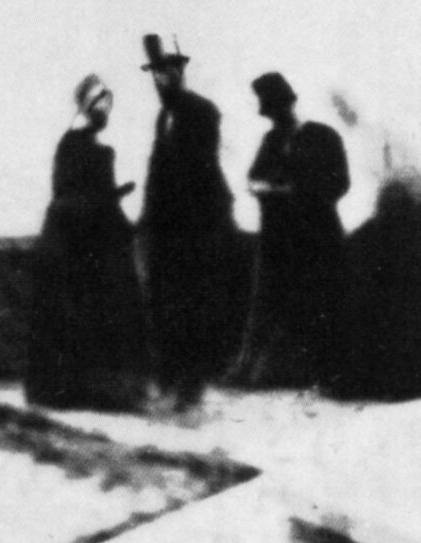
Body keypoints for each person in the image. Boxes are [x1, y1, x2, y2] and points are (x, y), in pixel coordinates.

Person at [25, 73, 145, 411]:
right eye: (100, 105)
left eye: (108, 105)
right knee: (86, 309)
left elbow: (88, 194)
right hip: (77, 240)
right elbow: (75, 193)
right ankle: (83, 390)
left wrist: (112, 200)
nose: (105, 112)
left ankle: (85, 389)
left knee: (87, 312)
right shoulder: (80, 147)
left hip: (79, 235)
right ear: (87, 108)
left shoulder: (83, 146)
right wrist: (112, 204)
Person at [137, 35, 241, 412]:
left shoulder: (200, 111)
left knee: (193, 305)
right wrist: (148, 217)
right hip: (166, 229)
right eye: (156, 73)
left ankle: (189, 388)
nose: (162, 79)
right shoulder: (163, 117)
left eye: (168, 71)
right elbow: (157, 173)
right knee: (165, 305)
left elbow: (197, 169)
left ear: (180, 72)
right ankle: (170, 381)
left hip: (195, 227)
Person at [230, 70, 351, 390]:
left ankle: (328, 377)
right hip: (278, 240)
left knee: (321, 305)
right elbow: (253, 179)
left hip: (318, 238)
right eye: (269, 112)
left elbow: (340, 183)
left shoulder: (323, 137)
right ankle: (248, 371)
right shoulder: (270, 140)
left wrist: (292, 191)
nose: (272, 117)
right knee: (265, 303)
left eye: (275, 109)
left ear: (288, 105)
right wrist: (268, 188)